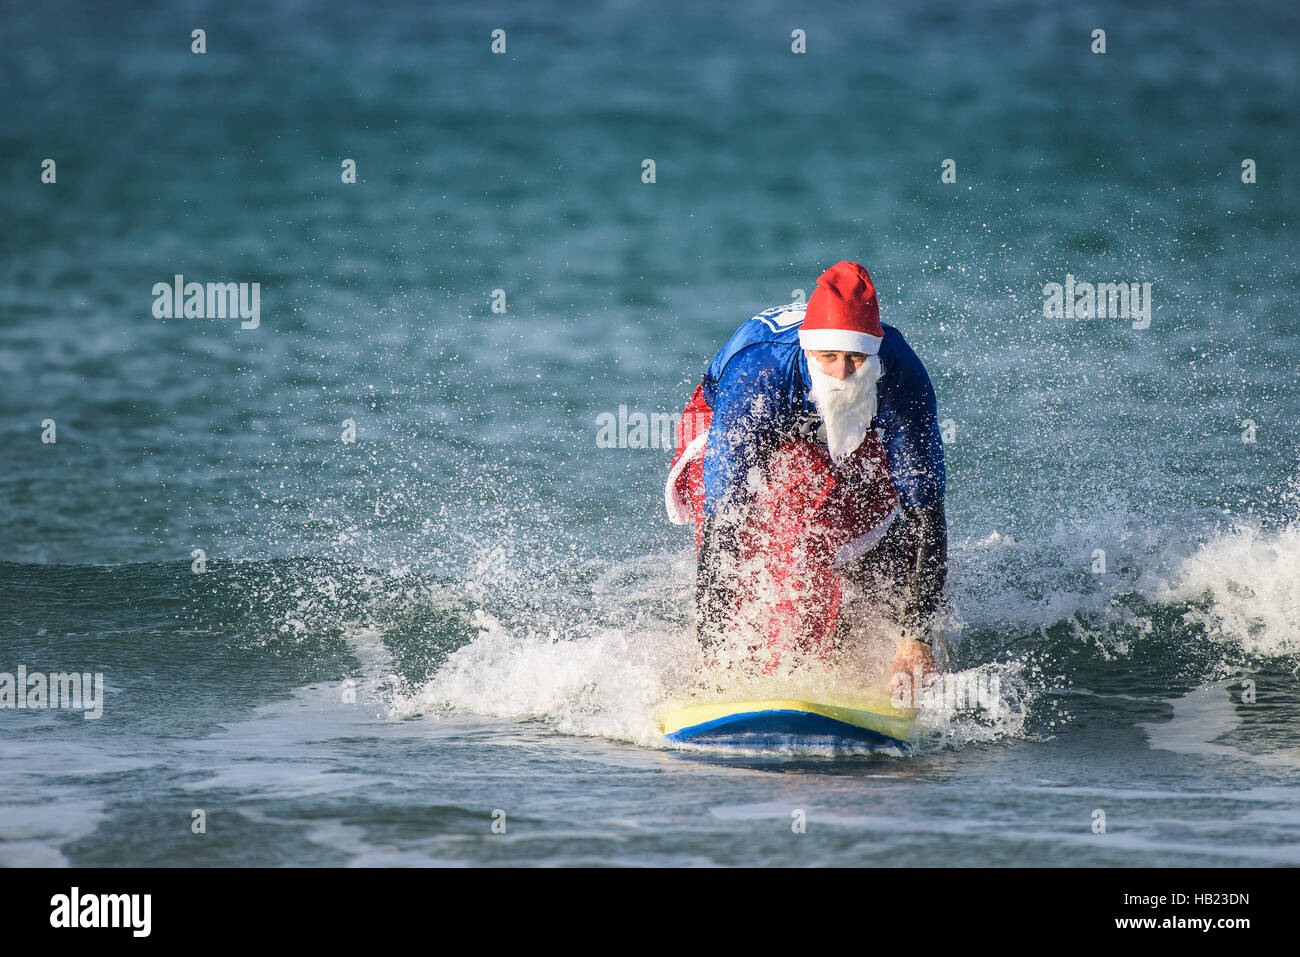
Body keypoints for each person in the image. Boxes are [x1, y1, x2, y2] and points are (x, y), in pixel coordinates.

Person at [665, 260, 947, 690]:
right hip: (733, 416)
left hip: (838, 428)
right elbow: (726, 525)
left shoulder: (902, 373)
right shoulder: (760, 372)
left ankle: (858, 643)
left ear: (875, 352)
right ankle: (732, 665)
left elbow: (925, 514)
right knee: (796, 519)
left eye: (855, 358)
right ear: (807, 349)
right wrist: (713, 652)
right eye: (827, 357)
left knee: (873, 536)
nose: (840, 373)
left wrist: (917, 638)